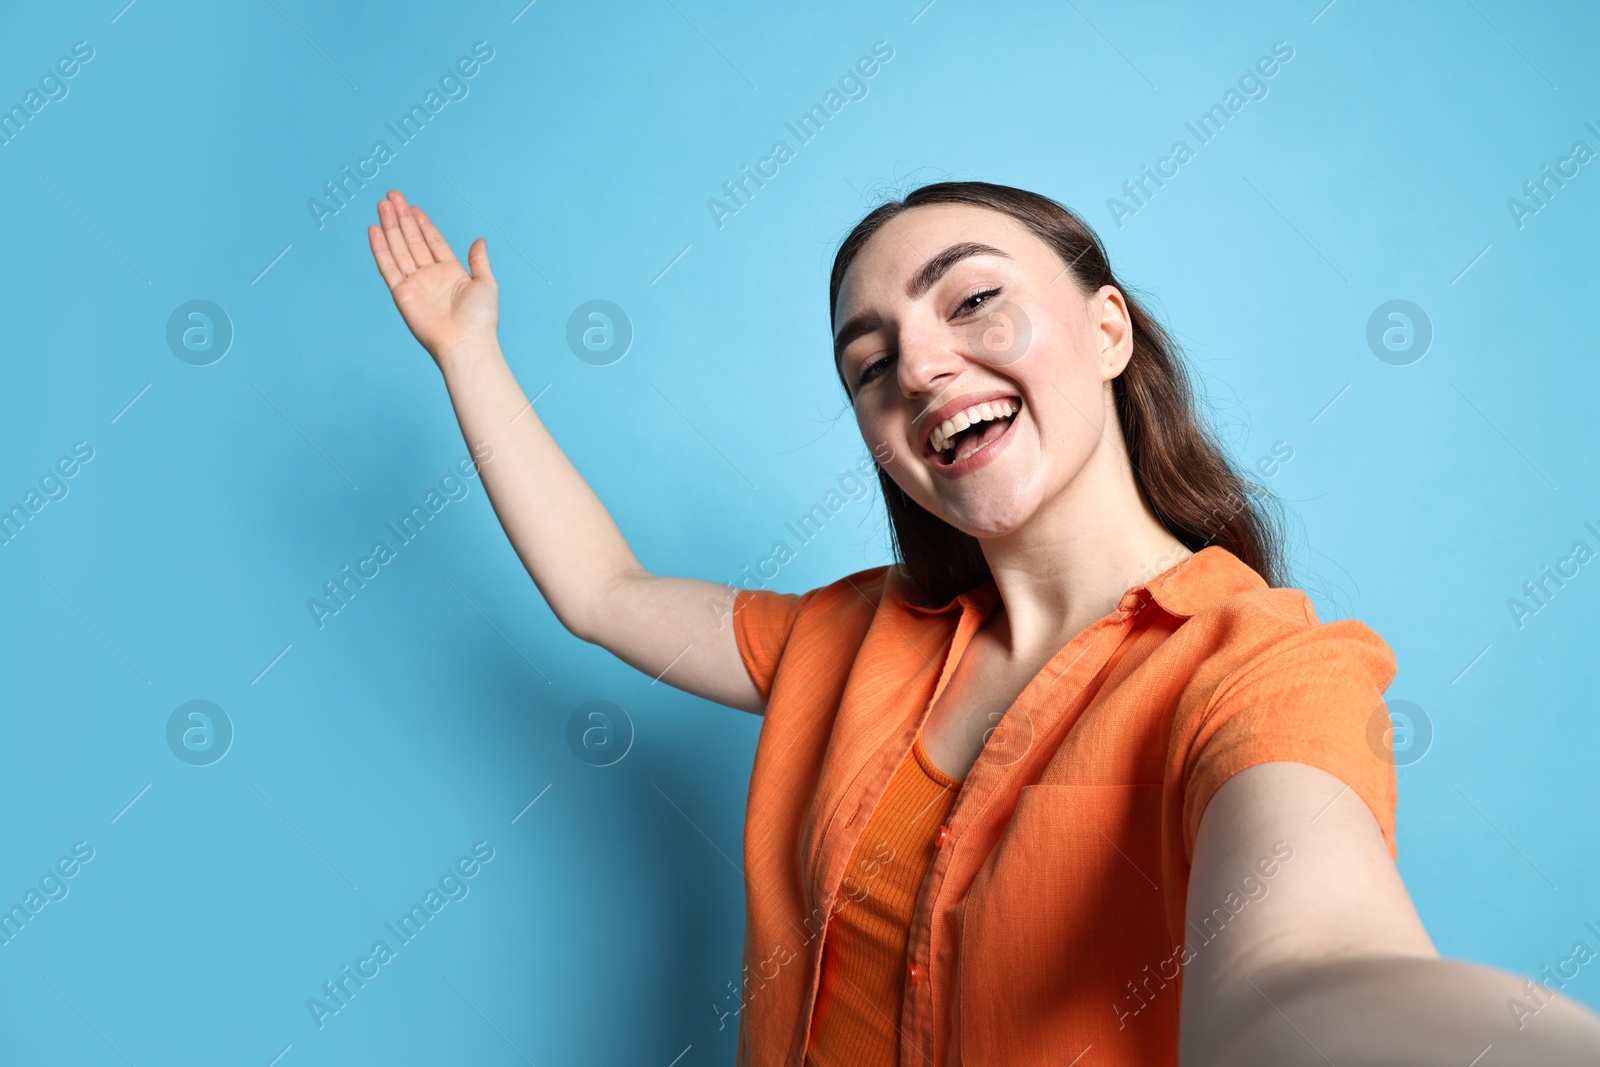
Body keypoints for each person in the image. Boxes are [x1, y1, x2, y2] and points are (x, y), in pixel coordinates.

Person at [368, 181, 1600, 1065]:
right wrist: (467, 353)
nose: (918, 365)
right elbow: (604, 595)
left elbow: (1302, 967)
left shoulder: (1259, 669)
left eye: (972, 302)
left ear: (1107, 329)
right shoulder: (849, 638)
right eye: (870, 360)